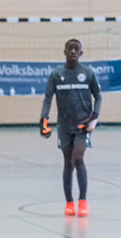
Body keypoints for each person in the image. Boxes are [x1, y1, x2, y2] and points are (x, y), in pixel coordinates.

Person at [40, 38, 102, 217]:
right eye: (70, 49)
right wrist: (43, 118)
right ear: (65, 51)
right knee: (67, 163)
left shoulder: (88, 74)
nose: (73, 52)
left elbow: (98, 97)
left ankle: (83, 200)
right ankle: (69, 202)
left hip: (83, 126)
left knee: (78, 159)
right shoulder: (56, 74)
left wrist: (94, 116)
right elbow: (47, 97)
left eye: (77, 49)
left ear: (81, 53)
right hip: (64, 126)